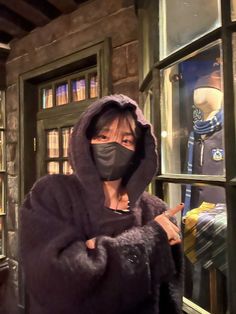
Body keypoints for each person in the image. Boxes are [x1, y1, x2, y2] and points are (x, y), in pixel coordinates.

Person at [20, 94, 183, 314]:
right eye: (102, 136)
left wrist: (96, 251)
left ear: (138, 151)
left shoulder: (155, 210)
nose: (113, 146)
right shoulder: (51, 195)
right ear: (85, 140)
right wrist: (149, 239)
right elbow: (59, 283)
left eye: (126, 140)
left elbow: (169, 298)